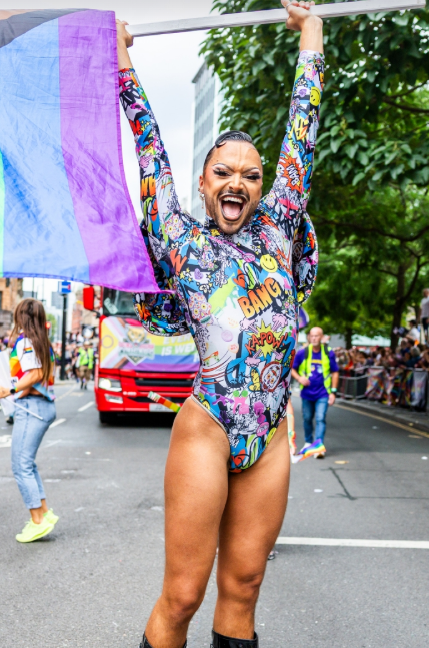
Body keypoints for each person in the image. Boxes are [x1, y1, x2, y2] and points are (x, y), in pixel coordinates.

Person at [118, 3, 323, 646]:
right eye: (223, 172)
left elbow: (303, 125)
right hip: (208, 425)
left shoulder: (282, 229)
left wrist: (312, 35)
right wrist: (122, 62)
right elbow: (148, 147)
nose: (238, 182)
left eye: (251, 175)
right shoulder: (181, 240)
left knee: (245, 587)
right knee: (183, 595)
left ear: (264, 188)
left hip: (270, 432)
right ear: (204, 184)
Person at [0, 299, 59, 544]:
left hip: (32, 407)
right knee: (27, 463)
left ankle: (37, 521)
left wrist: (8, 390)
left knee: (21, 465)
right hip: (41, 406)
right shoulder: (42, 341)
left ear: (21, 317)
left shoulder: (26, 341)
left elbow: (35, 373)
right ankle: (44, 513)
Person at [291, 326, 338, 459]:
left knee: (320, 418)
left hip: (323, 393)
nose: (314, 338)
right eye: (311, 336)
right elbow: (292, 368)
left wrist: (333, 392)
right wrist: (299, 378)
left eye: (316, 336)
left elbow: (335, 372)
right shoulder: (303, 352)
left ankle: (318, 446)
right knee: (307, 418)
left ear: (322, 337)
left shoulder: (328, 352)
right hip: (307, 393)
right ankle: (308, 442)